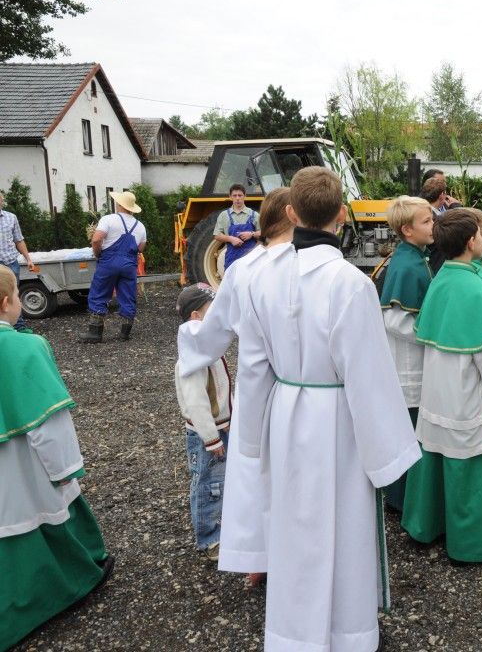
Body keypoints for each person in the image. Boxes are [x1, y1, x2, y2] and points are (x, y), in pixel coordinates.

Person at [237, 166, 420, 651]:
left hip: (284, 410)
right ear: (342, 214)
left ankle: (294, 635)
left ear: (292, 213)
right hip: (336, 419)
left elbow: (253, 366)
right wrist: (389, 456)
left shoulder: (259, 277)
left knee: (293, 522)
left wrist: (251, 437)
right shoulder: (351, 283)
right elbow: (369, 374)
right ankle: (346, 634)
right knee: (343, 526)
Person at [176, 186, 294, 585]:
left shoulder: (245, 271)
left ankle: (258, 556)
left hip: (260, 385)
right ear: (295, 217)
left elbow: (211, 335)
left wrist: (192, 343)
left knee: (257, 471)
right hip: (297, 386)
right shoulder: (300, 267)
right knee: (280, 469)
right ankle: (268, 553)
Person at [0, 267, 113, 650]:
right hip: (17, 467)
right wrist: (66, 471)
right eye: (17, 295)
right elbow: (49, 426)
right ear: (6, 303)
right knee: (34, 511)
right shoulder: (24, 348)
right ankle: (52, 592)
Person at [402, 209, 482, 564]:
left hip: (437, 387)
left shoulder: (440, 279)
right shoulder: (474, 287)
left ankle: (427, 526)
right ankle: (473, 545)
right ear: (471, 241)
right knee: (471, 464)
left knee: (435, 453)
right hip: (467, 392)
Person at [380, 195, 436, 511]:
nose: (433, 225)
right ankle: (403, 501)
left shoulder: (414, 257)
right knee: (409, 436)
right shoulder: (406, 265)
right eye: (426, 221)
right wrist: (433, 336)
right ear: (407, 230)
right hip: (408, 367)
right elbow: (395, 318)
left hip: (411, 361)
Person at [174, 284, 231, 560]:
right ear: (196, 317)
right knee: (208, 483)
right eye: (213, 312)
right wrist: (210, 437)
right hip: (206, 435)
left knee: (222, 480)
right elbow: (196, 402)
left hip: (221, 428)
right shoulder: (192, 359)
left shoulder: (208, 351)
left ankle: (222, 529)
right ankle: (208, 537)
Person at [80, 190, 147, 343]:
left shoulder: (108, 219)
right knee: (128, 296)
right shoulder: (140, 226)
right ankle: (125, 333)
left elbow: (96, 240)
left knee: (99, 293)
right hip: (129, 265)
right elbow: (141, 248)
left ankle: (95, 334)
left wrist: (98, 255)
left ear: (119, 205)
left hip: (108, 263)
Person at [0, 191, 35, 331]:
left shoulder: (10, 217)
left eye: (0, 200)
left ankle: (19, 328)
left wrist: (28, 259)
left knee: (13, 295)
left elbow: (18, 240)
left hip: (10, 264)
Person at [213, 184, 261, 271]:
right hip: (232, 258)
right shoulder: (224, 215)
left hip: (251, 258)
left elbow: (265, 233)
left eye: (240, 195)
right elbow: (217, 235)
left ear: (245, 196)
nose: (237, 198)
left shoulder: (254, 215)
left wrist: (252, 234)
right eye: (234, 195)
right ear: (230, 197)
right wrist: (231, 239)